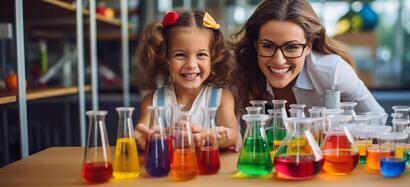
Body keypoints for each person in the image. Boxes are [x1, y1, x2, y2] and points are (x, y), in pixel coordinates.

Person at [233, 0, 385, 114]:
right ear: (255, 44)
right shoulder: (241, 70)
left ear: (309, 46)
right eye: (267, 46)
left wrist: (339, 130)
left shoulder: (333, 72)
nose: (279, 60)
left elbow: (378, 120)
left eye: (291, 47)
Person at [133, 10, 238, 151]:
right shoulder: (153, 101)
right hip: (169, 172)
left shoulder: (222, 98)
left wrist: (207, 135)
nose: (191, 64)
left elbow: (232, 135)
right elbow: (139, 135)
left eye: (201, 54)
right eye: (180, 55)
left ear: (213, 58)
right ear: (164, 58)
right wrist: (154, 136)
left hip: (211, 172)